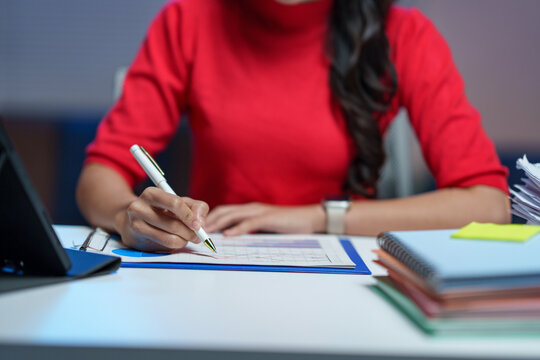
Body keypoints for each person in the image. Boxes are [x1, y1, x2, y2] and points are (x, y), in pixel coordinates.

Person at [76, 0, 510, 252]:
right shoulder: (188, 19)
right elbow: (101, 174)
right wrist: (125, 216)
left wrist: (317, 218)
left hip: (345, 284)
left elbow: (489, 207)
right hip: (213, 270)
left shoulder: (406, 34)